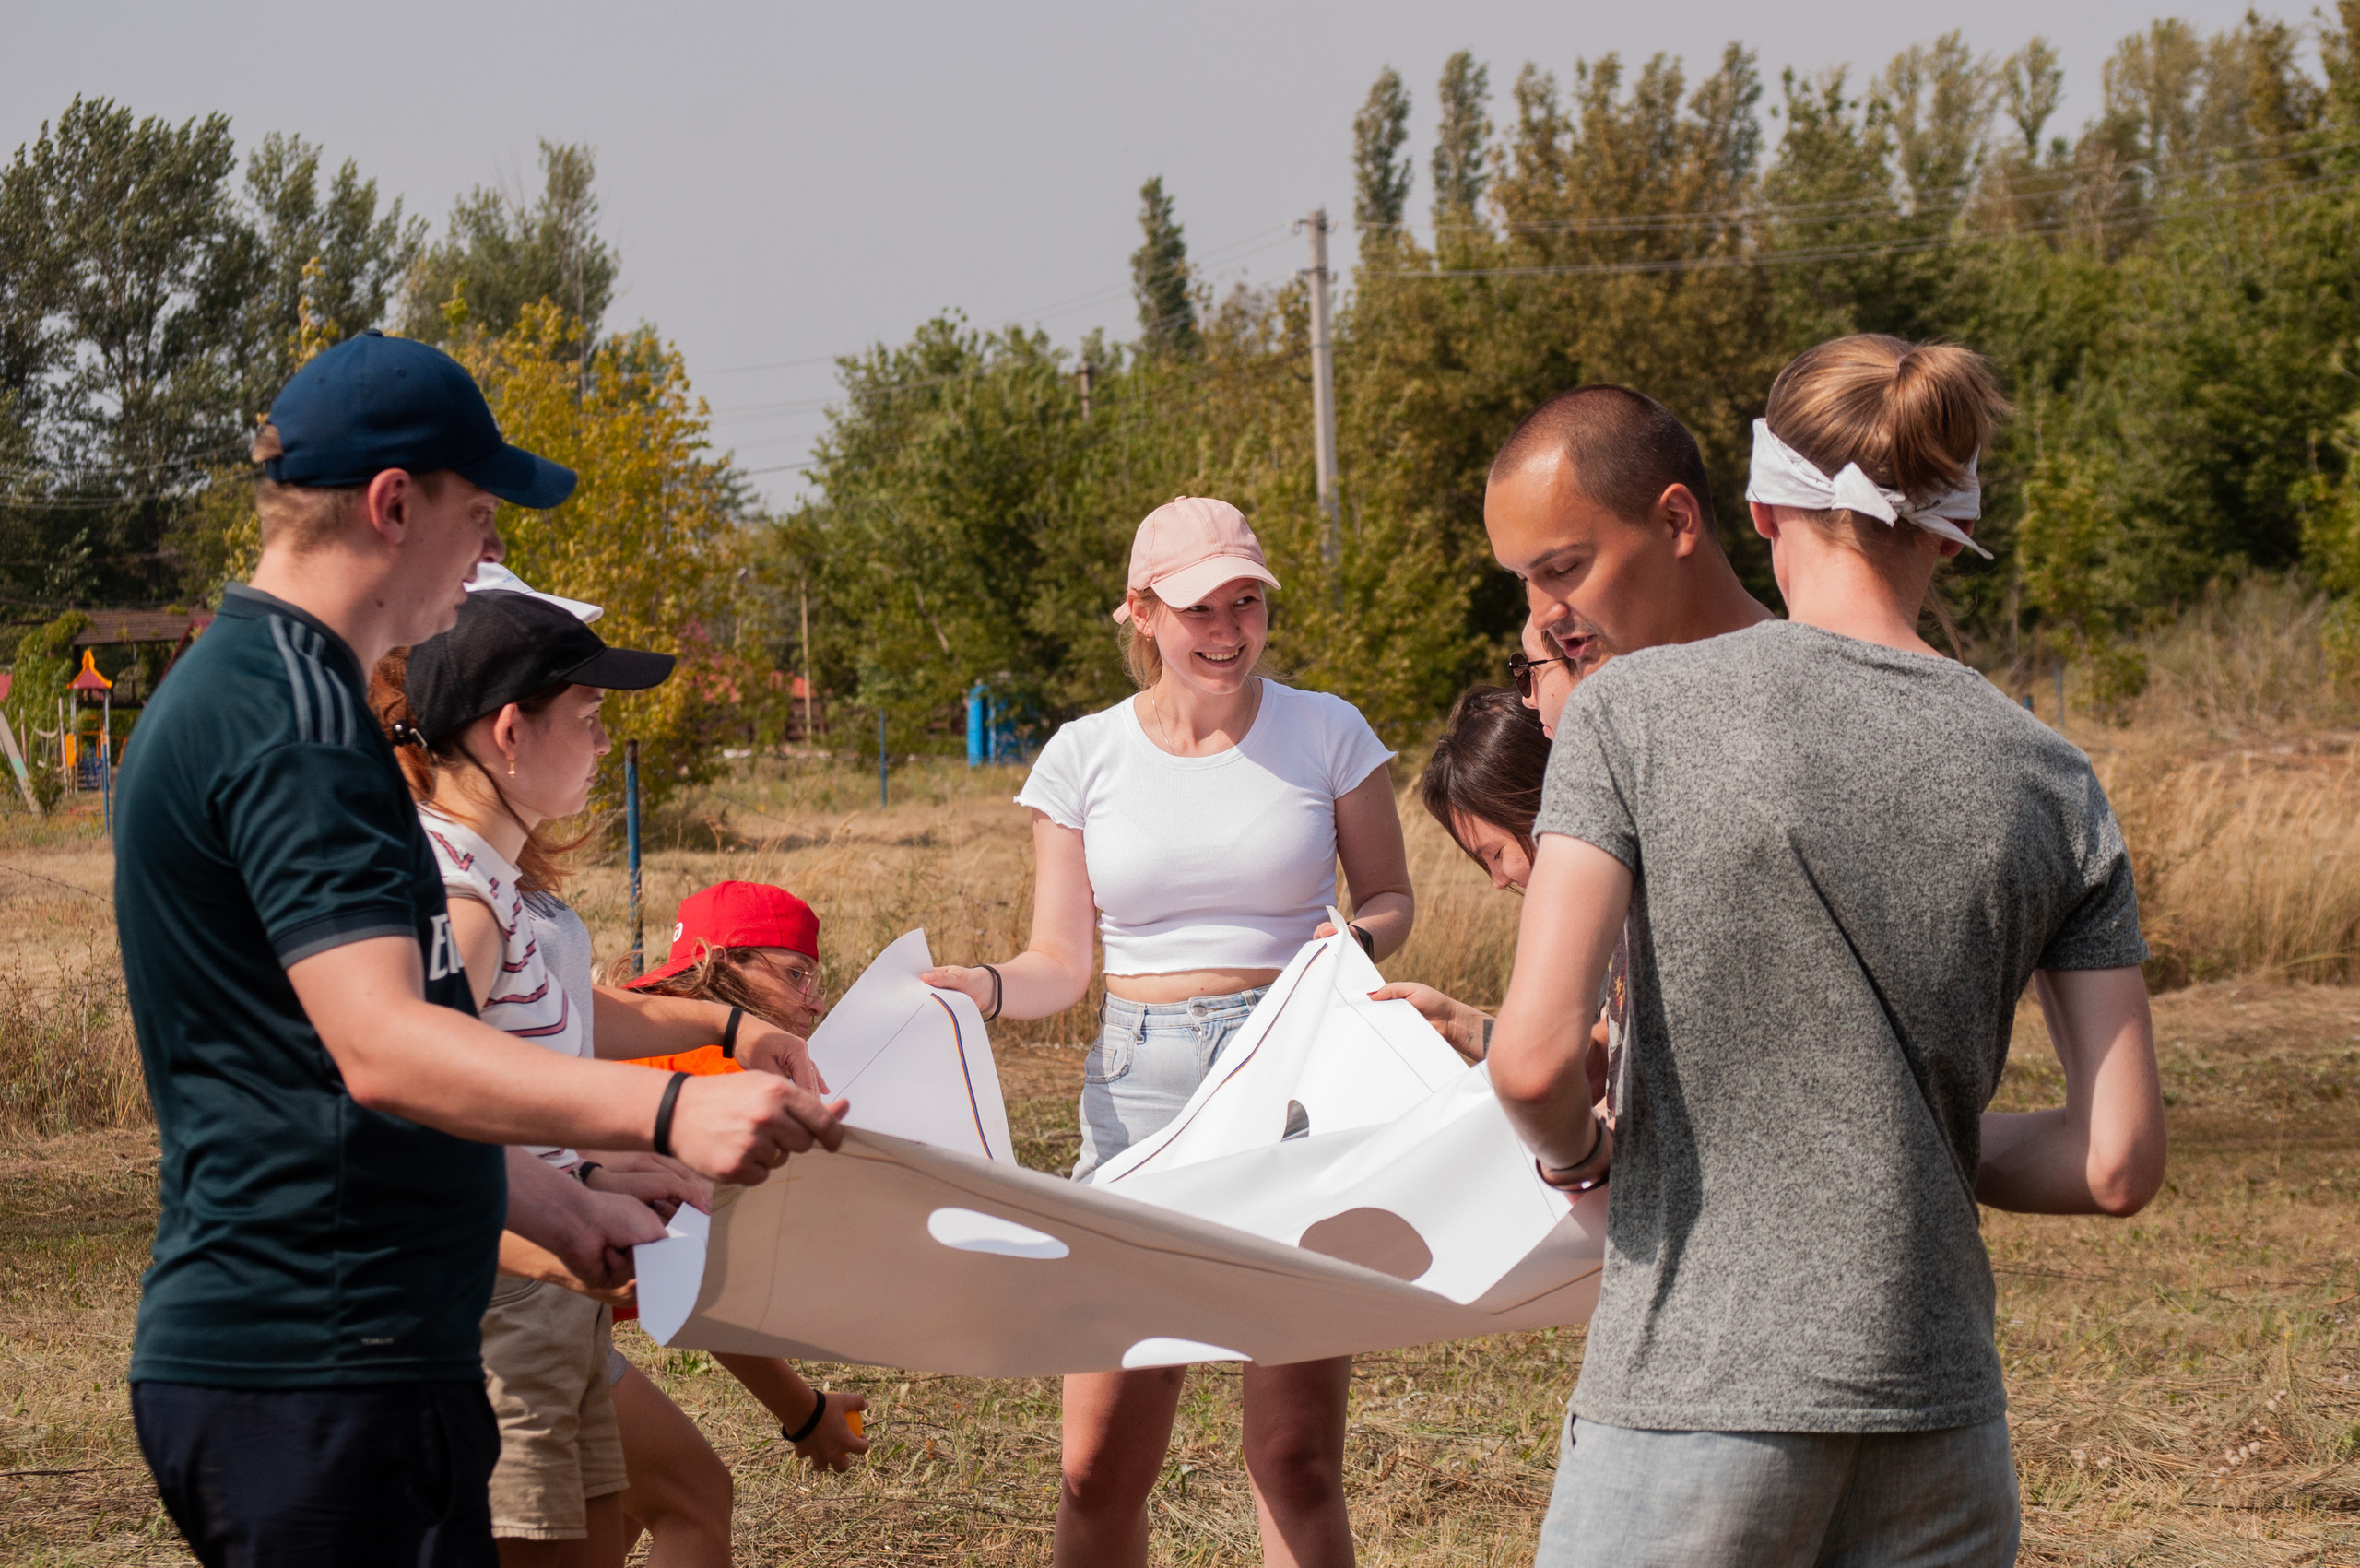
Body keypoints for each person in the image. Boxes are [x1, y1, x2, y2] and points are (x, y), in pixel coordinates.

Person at [112, 330, 842, 1568]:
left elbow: (310, 1080)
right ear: (394, 506)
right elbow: (385, 1049)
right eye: (482, 519)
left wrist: (552, 1194)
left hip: (344, 1352)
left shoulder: (281, 696)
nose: (491, 560)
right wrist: (665, 1116)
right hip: (321, 1364)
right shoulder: (294, 725)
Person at [1487, 335, 2168, 1567]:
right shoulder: (2055, 780)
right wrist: (1905, 1136)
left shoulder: (1633, 713)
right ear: (1948, 527)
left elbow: (1532, 1062)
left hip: (1695, 1398)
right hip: (1942, 1421)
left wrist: (1592, 1150)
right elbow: (2117, 1160)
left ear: (1755, 508)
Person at [922, 495, 1413, 1568]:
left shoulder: (1328, 730)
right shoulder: (1081, 756)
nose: (1229, 630)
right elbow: (1061, 963)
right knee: (1098, 1468)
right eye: (1201, 607)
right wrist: (983, 989)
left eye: (1247, 602)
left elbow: (1388, 899)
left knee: (1295, 1458)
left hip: (1289, 1091)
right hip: (1137, 1100)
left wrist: (1347, 953)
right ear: (1141, 612)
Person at [613, 881, 873, 1567]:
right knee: (693, 1500)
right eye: (796, 974)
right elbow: (699, 1287)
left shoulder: (647, 1033)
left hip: (513, 1314)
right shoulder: (720, 1072)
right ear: (722, 964)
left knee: (608, 1516)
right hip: (522, 1325)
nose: (815, 998)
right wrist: (806, 1412)